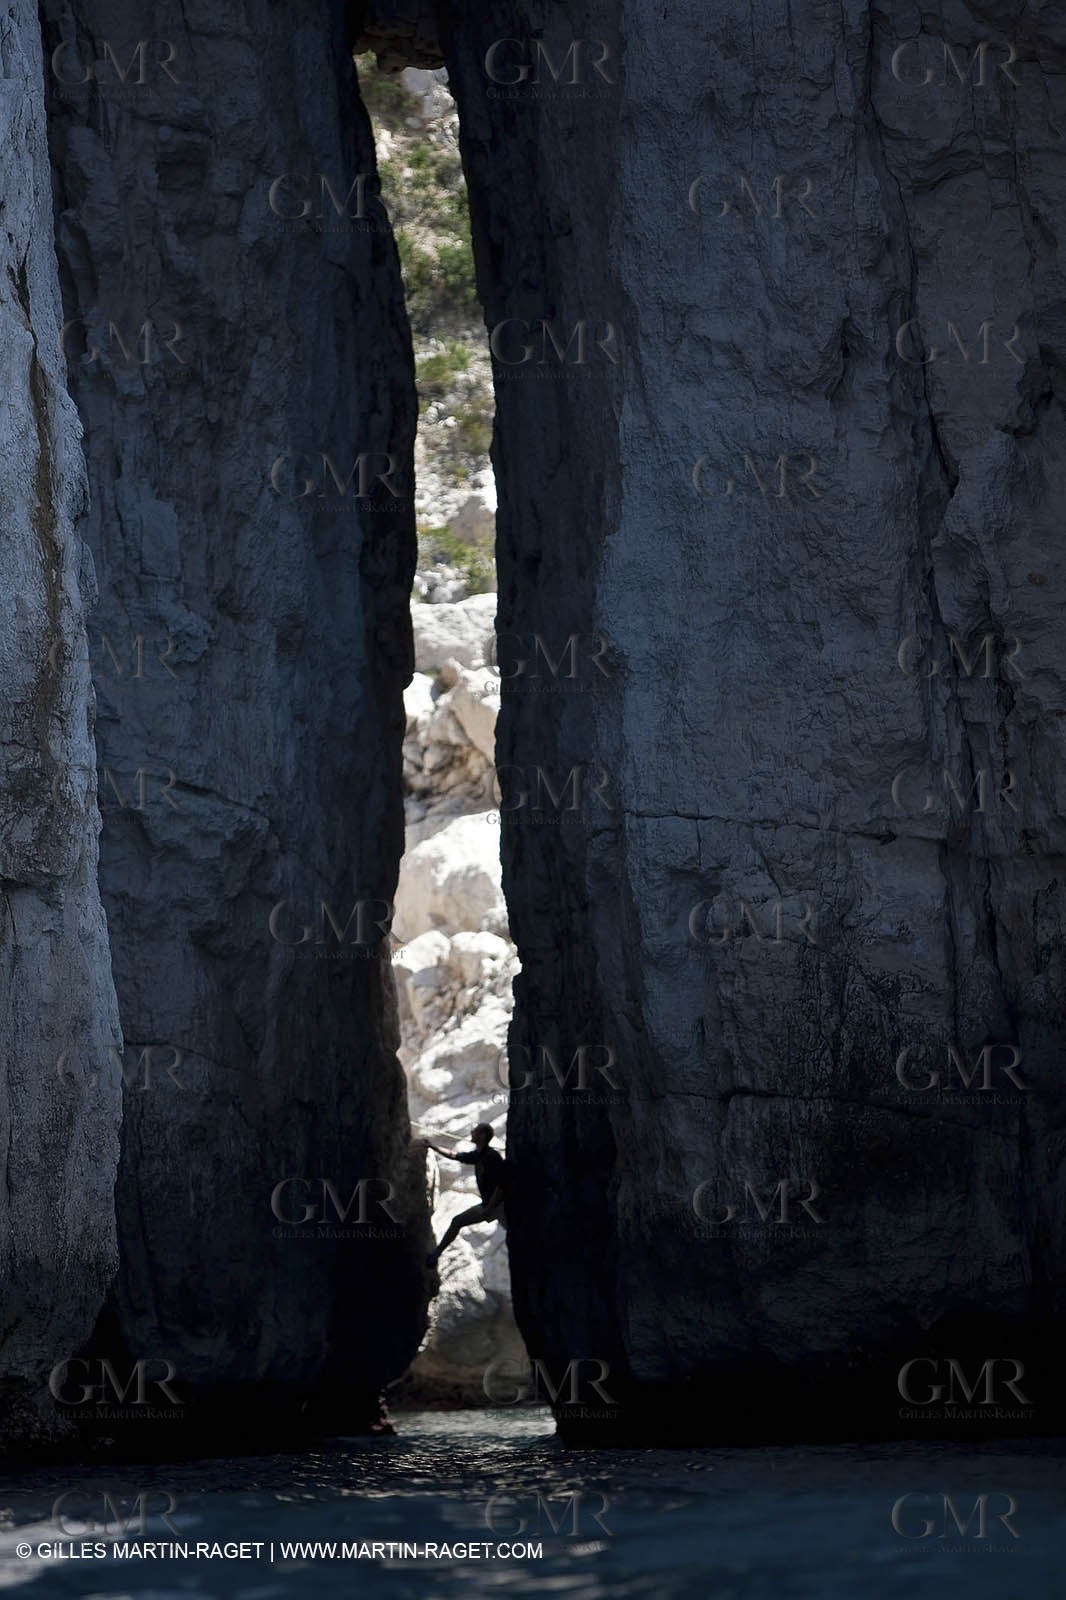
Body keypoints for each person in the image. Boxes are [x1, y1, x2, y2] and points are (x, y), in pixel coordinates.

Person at [423, 1123, 507, 1268]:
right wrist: (432, 1146)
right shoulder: (479, 1155)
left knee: (516, 1235)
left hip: (500, 1206)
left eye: (475, 1131)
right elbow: (454, 1156)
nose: (472, 1132)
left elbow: (501, 1186)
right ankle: (436, 1254)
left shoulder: (491, 1157)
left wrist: (490, 1208)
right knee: (457, 1221)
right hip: (488, 1205)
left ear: (482, 1136)